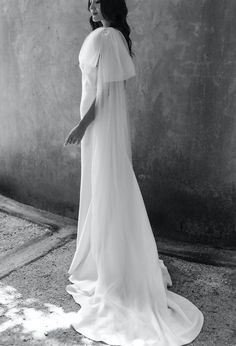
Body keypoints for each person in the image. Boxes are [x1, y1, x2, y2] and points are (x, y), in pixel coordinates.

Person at [64, 1, 204, 345]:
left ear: (110, 4)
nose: (93, 6)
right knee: (105, 188)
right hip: (99, 127)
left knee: (108, 187)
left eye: (98, 0)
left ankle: (115, 264)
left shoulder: (108, 37)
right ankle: (107, 256)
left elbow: (105, 92)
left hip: (98, 127)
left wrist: (82, 125)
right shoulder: (108, 37)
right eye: (90, 1)